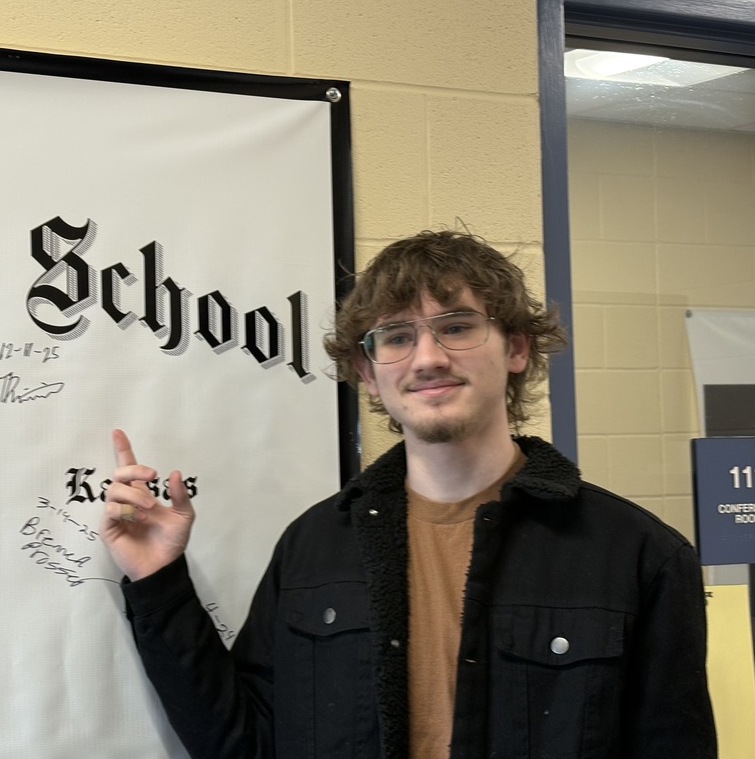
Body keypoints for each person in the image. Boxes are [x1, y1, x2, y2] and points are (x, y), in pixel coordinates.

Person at [100, 230, 716, 759]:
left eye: (457, 327)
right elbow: (245, 742)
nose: (427, 357)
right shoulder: (313, 548)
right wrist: (160, 584)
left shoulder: (640, 556)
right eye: (395, 337)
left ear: (518, 349)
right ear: (368, 371)